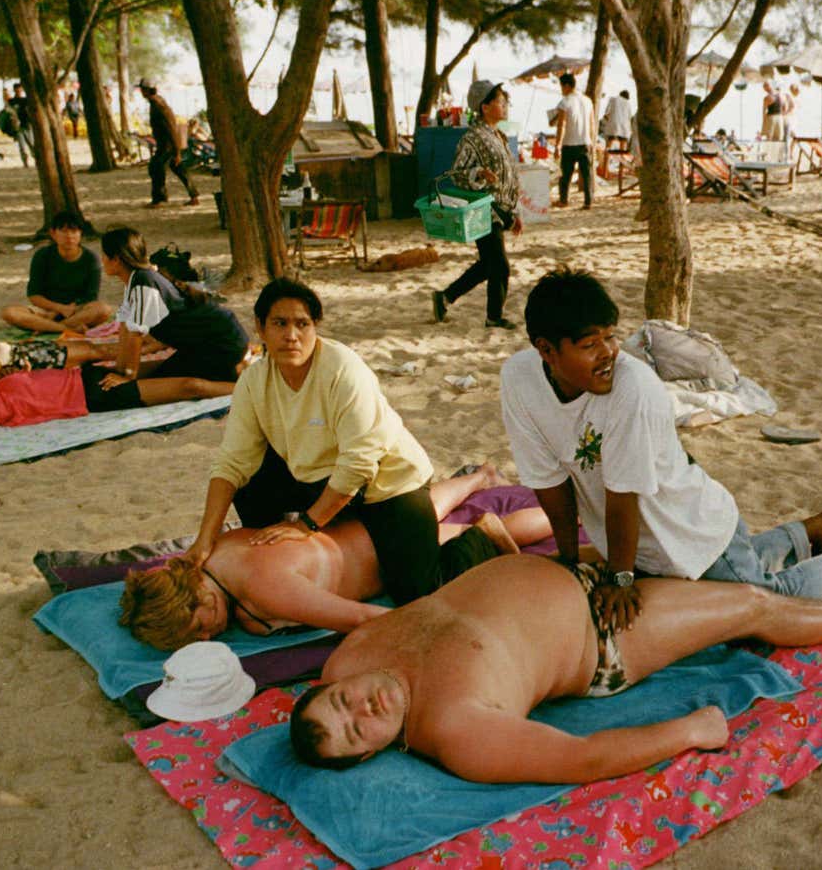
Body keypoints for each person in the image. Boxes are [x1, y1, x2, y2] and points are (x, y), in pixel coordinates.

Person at [288, 553, 822, 780]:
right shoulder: (457, 731)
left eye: (341, 704)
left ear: (335, 684)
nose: (360, 711)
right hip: (608, 636)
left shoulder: (352, 655)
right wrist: (692, 731)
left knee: (710, 552)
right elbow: (582, 758)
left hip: (585, 566)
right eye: (356, 734)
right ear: (373, 754)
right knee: (748, 602)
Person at [500, 270, 822, 633]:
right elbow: (550, 483)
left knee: (767, 610)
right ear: (546, 351)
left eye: (611, 336)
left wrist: (620, 579)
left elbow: (622, 495)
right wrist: (569, 562)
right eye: (590, 344)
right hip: (645, 544)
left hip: (693, 530)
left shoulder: (633, 388)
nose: (609, 353)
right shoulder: (519, 380)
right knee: (738, 578)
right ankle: (807, 532)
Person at [187, 277, 458, 608]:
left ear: (315, 327)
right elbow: (231, 461)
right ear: (260, 328)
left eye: (302, 324)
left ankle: (481, 534)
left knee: (417, 594)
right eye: (280, 323)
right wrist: (205, 539)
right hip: (316, 477)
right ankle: (276, 552)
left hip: (385, 484)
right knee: (247, 481)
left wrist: (306, 525)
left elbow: (359, 463)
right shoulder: (254, 380)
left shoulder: (343, 369)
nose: (291, 336)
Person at [121, 467, 584, 649]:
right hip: (370, 525)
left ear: (193, 597)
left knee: (463, 536)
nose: (206, 638)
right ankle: (477, 478)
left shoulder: (262, 589)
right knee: (424, 512)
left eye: (197, 628)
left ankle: (572, 512)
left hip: (387, 556)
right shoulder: (205, 553)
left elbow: (363, 618)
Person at [0, 340, 232, 426]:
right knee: (192, 387)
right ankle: (251, 386)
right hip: (96, 395)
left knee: (170, 366)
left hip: (86, 376)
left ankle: (241, 373)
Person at [102, 226, 248, 389]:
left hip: (223, 342)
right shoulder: (135, 279)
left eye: (104, 256)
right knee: (159, 375)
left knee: (172, 385)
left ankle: (242, 385)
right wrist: (120, 370)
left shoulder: (145, 283)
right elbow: (125, 331)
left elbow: (136, 336)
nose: (102, 260)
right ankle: (231, 371)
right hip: (201, 344)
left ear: (116, 260)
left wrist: (128, 376)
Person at [430, 79, 523, 330]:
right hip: (483, 210)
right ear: (484, 106)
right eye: (500, 101)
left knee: (488, 265)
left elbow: (509, 175)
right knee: (499, 266)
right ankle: (494, 317)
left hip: (500, 210)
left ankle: (445, 297)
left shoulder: (498, 135)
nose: (505, 105)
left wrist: (513, 214)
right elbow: (457, 173)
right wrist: (479, 173)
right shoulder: (472, 138)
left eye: (505, 101)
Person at [0, 210, 113, 334]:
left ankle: (46, 328)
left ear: (80, 233)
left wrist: (68, 309)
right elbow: (34, 295)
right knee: (9, 313)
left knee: (104, 310)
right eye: (63, 231)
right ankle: (65, 329)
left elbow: (91, 296)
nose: (69, 236)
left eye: (74, 231)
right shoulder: (43, 255)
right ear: (53, 234)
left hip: (76, 311)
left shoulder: (90, 258)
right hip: (46, 311)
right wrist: (58, 309)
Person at [137, 78, 200, 208]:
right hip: (167, 144)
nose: (141, 92)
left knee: (156, 168)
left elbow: (170, 128)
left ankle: (159, 199)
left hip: (167, 145)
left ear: (146, 91)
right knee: (179, 169)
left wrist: (176, 150)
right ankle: (194, 195)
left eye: (142, 89)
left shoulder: (157, 105)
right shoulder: (157, 102)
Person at [552, 72, 597, 210]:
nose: (561, 90)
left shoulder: (564, 102)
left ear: (566, 86)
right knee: (587, 174)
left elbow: (562, 125)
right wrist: (592, 143)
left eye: (561, 86)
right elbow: (592, 123)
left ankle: (564, 200)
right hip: (585, 142)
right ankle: (588, 202)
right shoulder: (587, 101)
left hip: (569, 143)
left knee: (565, 175)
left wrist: (558, 145)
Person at [7, 84, 34, 168]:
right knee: (22, 146)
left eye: (19, 90)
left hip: (27, 125)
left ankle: (36, 160)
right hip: (18, 127)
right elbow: (9, 113)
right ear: (14, 90)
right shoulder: (11, 101)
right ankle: (25, 162)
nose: (18, 91)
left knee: (32, 145)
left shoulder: (25, 100)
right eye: (17, 90)